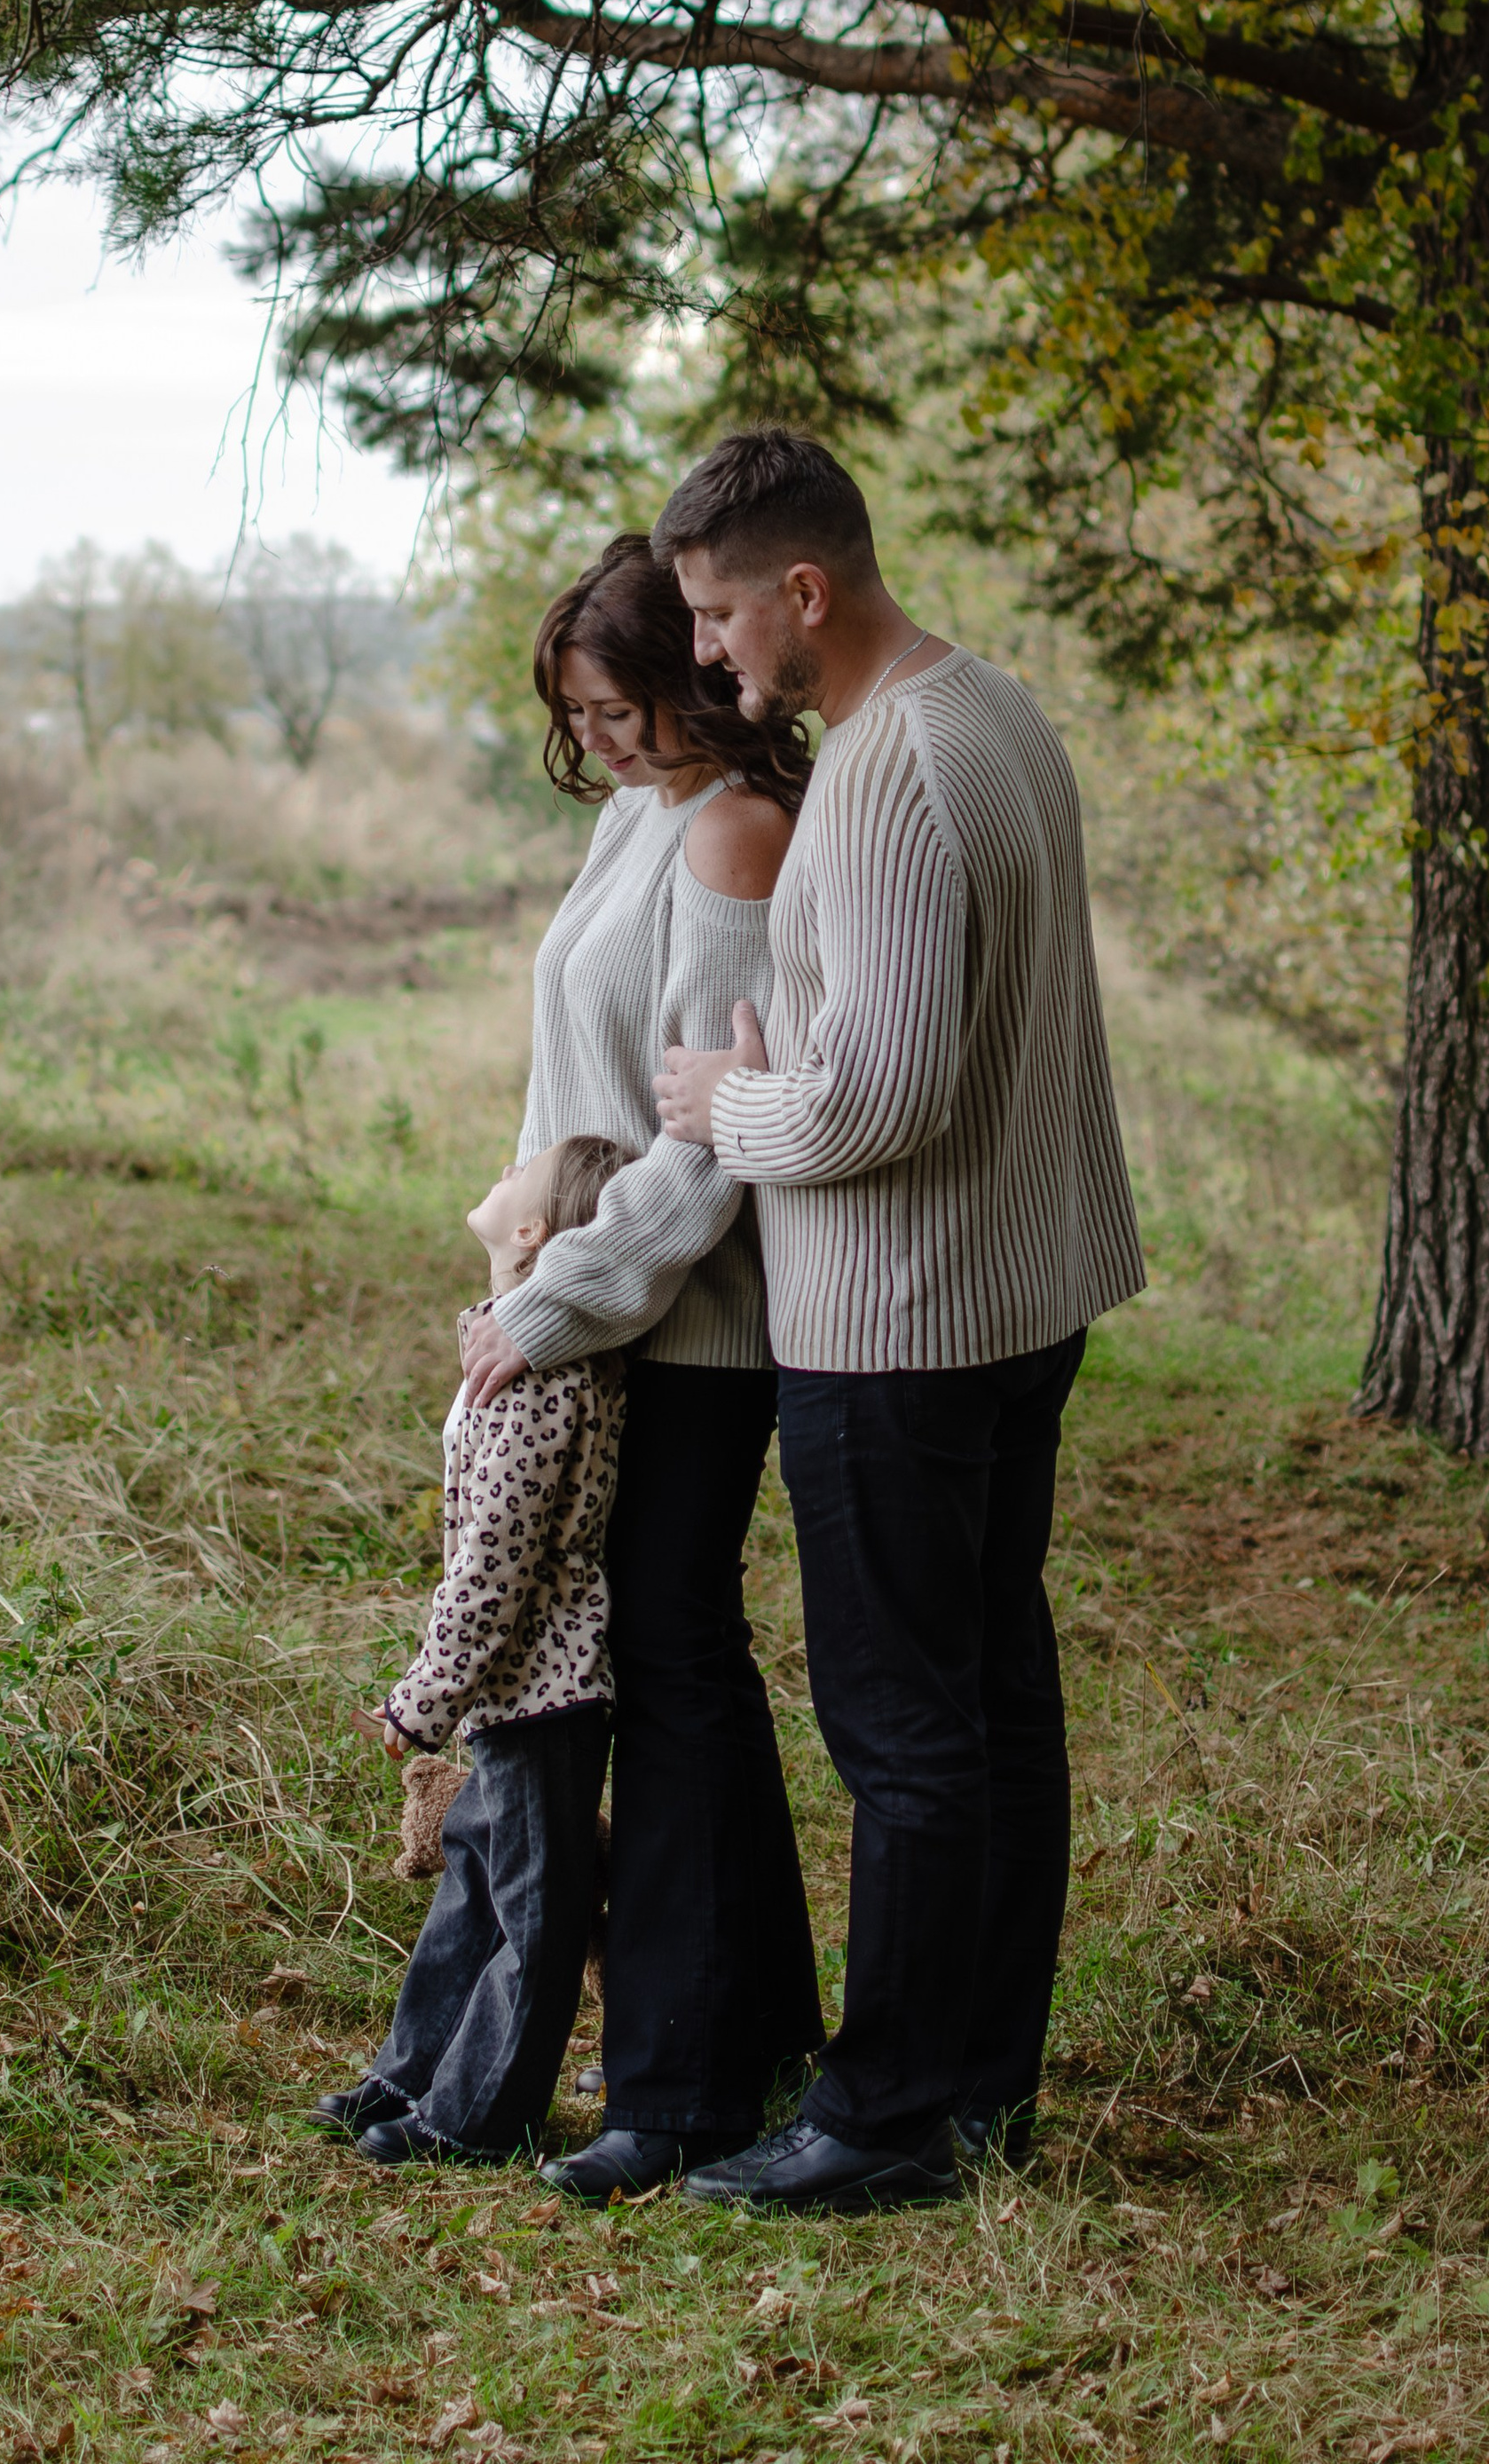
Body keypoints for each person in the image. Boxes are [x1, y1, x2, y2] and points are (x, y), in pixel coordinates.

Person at [650, 429, 1145, 2215]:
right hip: (1015, 1293)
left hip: (900, 1324)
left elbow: (876, 1098)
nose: (707, 653)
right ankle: (976, 2088)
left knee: (904, 1730)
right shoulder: (990, 708)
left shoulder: (879, 775)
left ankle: (881, 2123)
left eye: (720, 616)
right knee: (992, 1703)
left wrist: (723, 1101)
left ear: (804, 590)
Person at [455, 535, 824, 2199]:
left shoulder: (733, 829)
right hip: (598, 1308)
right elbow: (582, 1091)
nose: (594, 741)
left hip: (689, 1324)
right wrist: (522, 1259)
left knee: (674, 1669)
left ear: (687, 678)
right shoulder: (637, 817)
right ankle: (755, 2033)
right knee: (672, 1665)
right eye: (576, 715)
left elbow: (707, 1147)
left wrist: (558, 1302)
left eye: (616, 707)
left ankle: (681, 2089)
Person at [321, 1133, 634, 2167]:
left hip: (543, 1691)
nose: (503, 1169)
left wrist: (425, 1698)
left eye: (518, 1172)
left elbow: (495, 1565)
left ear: (533, 1231)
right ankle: (412, 2074)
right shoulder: (506, 1352)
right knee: (474, 1882)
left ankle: (478, 2116)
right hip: (509, 1690)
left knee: (535, 1909)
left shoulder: (543, 1379)